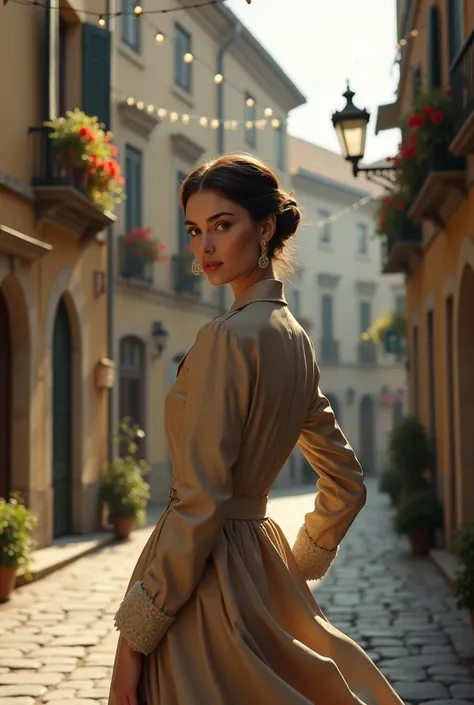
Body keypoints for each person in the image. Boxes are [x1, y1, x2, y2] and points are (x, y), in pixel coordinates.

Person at [109, 154, 404, 705]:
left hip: (203, 580)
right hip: (265, 573)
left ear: (265, 227)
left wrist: (133, 643)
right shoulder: (295, 337)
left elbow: (200, 502)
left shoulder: (227, 337)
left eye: (223, 225)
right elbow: (346, 483)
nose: (205, 247)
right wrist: (300, 563)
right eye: (196, 231)